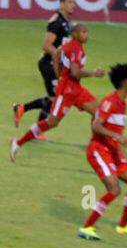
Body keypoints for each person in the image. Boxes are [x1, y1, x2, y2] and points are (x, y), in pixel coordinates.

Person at [10, 22, 103, 160]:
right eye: (83, 32)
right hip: (66, 92)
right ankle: (18, 143)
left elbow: (56, 55)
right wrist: (93, 73)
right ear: (76, 34)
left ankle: (95, 147)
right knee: (51, 122)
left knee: (99, 112)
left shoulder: (68, 45)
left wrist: (59, 75)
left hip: (75, 89)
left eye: (86, 32)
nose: (86, 34)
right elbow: (75, 72)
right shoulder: (76, 49)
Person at [79, 63, 127, 240]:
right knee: (114, 189)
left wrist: (120, 149)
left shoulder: (122, 104)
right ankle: (86, 227)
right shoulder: (110, 102)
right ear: (124, 82)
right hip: (98, 150)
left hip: (113, 152)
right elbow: (96, 125)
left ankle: (124, 225)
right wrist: (119, 137)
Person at [12, 0, 76, 130]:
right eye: (70, 2)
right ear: (62, 4)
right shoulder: (56, 22)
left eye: (74, 2)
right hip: (49, 64)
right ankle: (36, 128)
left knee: (54, 98)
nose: (73, 5)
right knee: (54, 99)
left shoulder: (67, 22)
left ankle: (22, 110)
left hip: (56, 65)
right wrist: (60, 56)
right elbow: (46, 46)